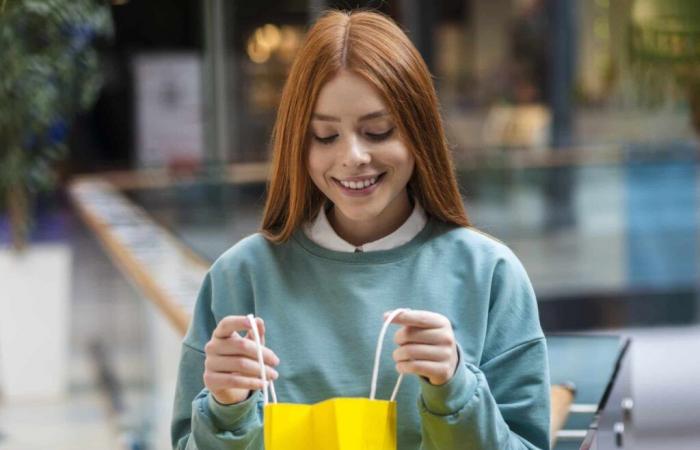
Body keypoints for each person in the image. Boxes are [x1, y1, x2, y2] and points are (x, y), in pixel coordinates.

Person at [171, 9, 550, 450]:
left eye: (378, 131)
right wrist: (225, 411)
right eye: (325, 136)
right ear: (298, 142)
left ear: (419, 132)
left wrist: (456, 390)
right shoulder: (239, 278)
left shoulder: (490, 276)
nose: (352, 157)